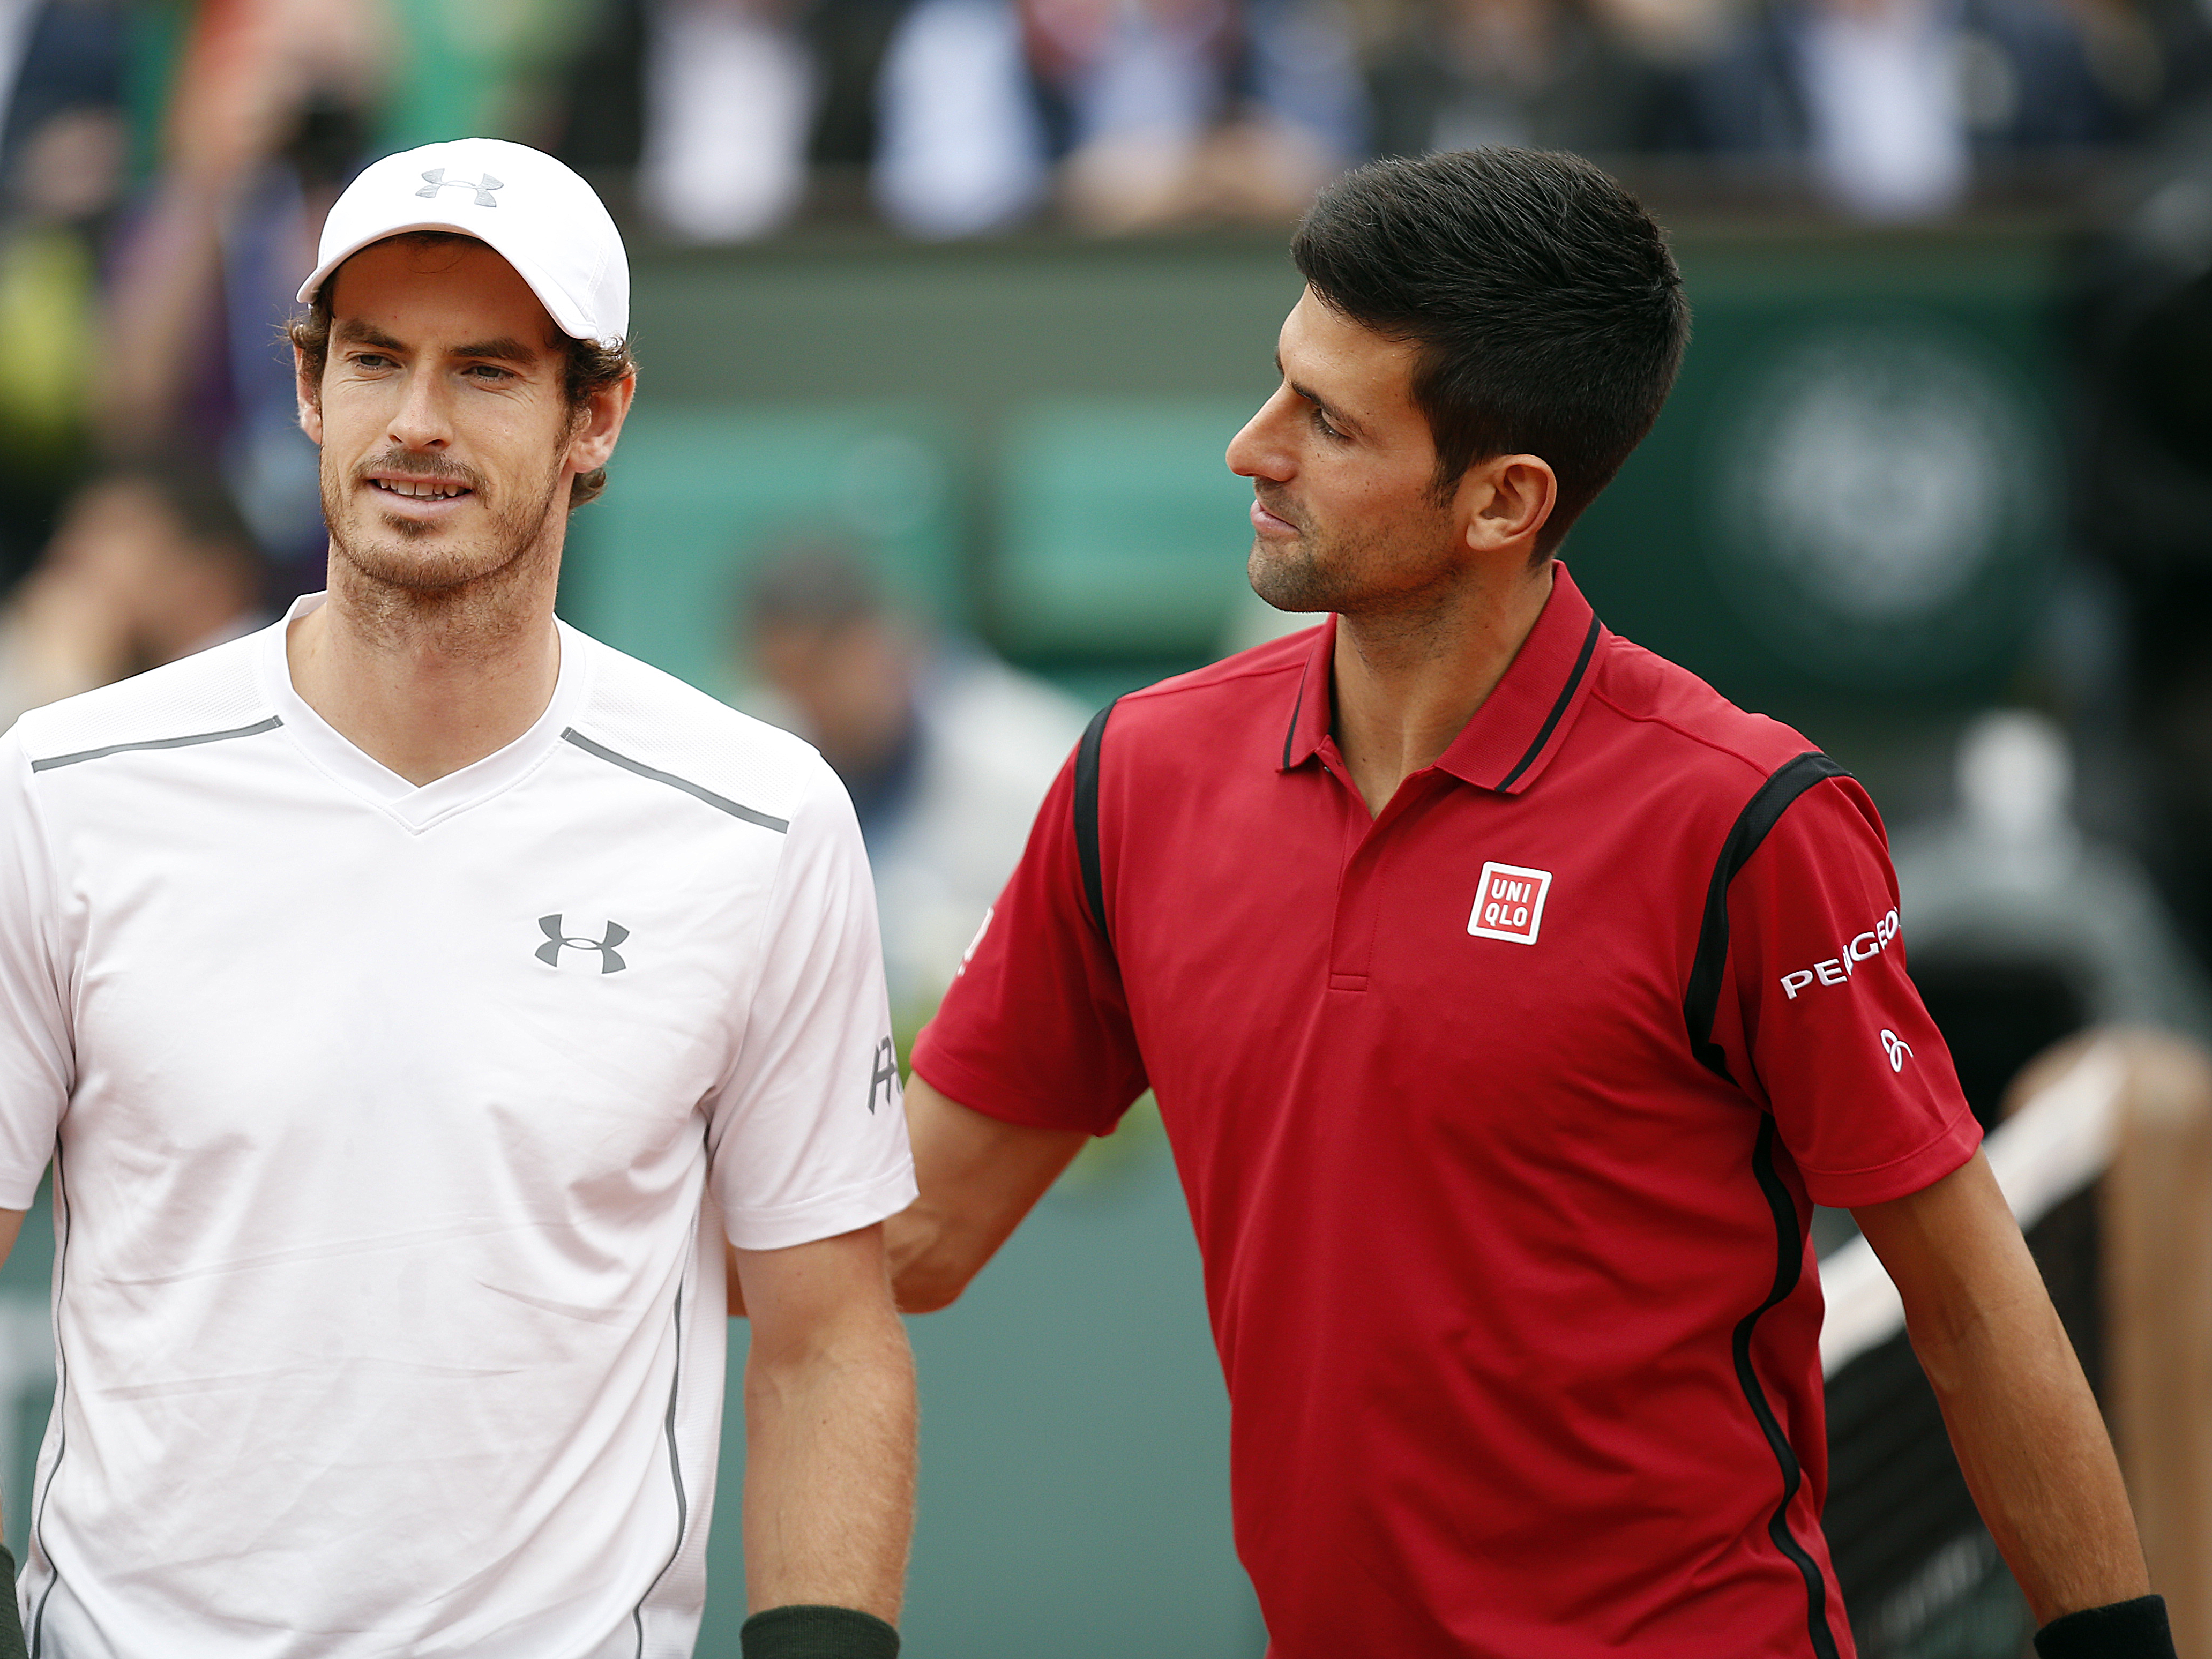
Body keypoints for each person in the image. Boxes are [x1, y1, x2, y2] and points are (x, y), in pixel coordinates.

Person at [888, 147, 2172, 1658]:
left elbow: (1965, 1307)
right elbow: (910, 1236)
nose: (1249, 449)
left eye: (1325, 421)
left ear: (1502, 501)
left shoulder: (1744, 822)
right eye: (1275, 383)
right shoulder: (1135, 779)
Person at [0, 137, 917, 1659]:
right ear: (306, 388)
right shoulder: (65, 786)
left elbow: (825, 1339)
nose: (415, 423)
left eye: (484, 372)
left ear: (597, 415)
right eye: (375, 358)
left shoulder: (763, 820)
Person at [739, 542, 1087, 1013]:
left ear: (879, 640)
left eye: (818, 672)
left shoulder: (1032, 762)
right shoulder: (757, 746)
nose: (804, 701)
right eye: (783, 679)